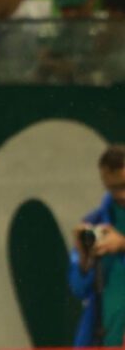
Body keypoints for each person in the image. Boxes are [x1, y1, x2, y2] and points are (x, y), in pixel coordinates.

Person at [69, 145, 125, 347]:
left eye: (124, 185)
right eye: (112, 188)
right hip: (104, 338)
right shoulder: (95, 222)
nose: (121, 195)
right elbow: (78, 289)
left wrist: (122, 244)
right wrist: (84, 258)